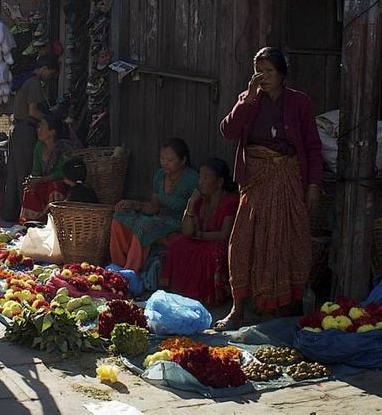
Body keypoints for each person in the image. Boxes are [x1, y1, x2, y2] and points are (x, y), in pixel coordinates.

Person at [217, 46, 323, 329]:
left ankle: (276, 308)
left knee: (286, 240)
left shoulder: (299, 103)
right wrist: (247, 101)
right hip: (255, 179)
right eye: (258, 71)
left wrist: (313, 184)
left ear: (282, 74)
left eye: (269, 71)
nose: (263, 77)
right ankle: (238, 308)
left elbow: (313, 146)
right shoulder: (249, 99)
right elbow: (228, 131)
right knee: (243, 241)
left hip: (287, 178)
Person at [109, 138, 199, 271]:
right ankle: (118, 264)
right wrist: (132, 205)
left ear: (183, 160)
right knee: (119, 216)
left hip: (179, 222)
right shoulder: (160, 175)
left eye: (170, 160)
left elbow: (198, 210)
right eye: (162, 159)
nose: (165, 163)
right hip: (159, 218)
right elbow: (154, 207)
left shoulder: (192, 179)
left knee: (144, 225)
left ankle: (131, 271)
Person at [161, 159, 241, 307]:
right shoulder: (199, 200)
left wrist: (199, 236)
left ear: (219, 182)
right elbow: (187, 231)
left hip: (219, 243)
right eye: (200, 177)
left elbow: (224, 234)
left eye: (206, 177)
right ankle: (181, 291)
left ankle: (210, 296)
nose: (201, 182)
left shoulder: (230, 201)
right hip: (201, 239)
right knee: (176, 244)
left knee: (209, 253)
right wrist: (190, 206)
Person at [3, 55, 60, 221]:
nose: (50, 78)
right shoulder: (34, 82)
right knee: (25, 174)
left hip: (16, 129)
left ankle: (10, 214)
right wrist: (49, 118)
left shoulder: (25, 80)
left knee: (14, 173)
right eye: (51, 74)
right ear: (45, 69)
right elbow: (33, 111)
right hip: (25, 131)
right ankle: (26, 216)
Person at [19, 114, 73, 223]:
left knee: (54, 187)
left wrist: (42, 180)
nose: (38, 130)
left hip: (62, 184)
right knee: (30, 190)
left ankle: (56, 222)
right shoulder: (39, 146)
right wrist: (32, 179)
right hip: (44, 181)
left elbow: (62, 172)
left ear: (52, 131)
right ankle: (31, 222)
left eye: (42, 126)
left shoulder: (63, 148)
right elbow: (36, 170)